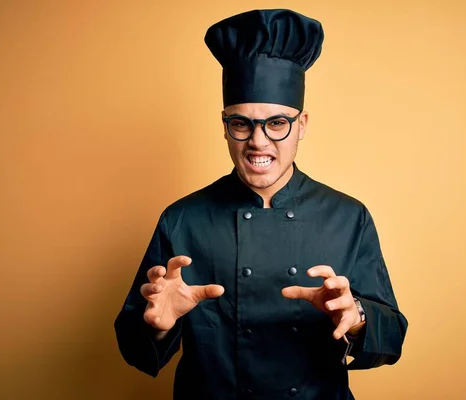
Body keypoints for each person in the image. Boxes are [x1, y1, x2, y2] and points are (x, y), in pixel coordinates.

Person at [114, 8, 408, 400]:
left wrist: (357, 319)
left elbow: (393, 338)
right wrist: (158, 326)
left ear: (301, 124)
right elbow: (134, 348)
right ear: (224, 125)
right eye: (242, 123)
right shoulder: (182, 219)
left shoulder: (348, 216)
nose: (258, 141)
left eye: (276, 123)